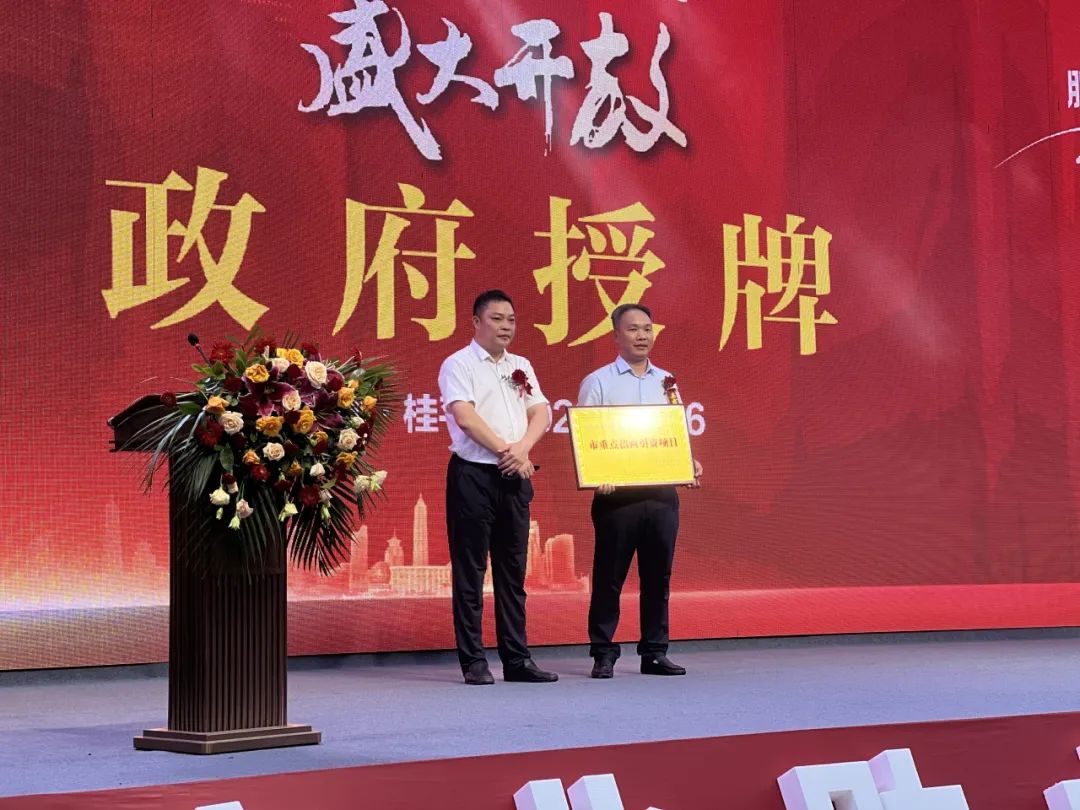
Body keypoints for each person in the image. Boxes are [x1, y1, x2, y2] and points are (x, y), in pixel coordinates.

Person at [577, 303, 703, 678]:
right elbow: (586, 438)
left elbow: (674, 436)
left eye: (647, 328)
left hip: (661, 496)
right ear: (616, 335)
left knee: (658, 578)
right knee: (609, 578)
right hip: (617, 498)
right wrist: (597, 472)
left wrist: (688, 463)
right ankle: (603, 652)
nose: (642, 335)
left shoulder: (667, 382)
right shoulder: (599, 381)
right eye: (633, 329)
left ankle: (655, 652)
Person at [438, 289, 558, 685]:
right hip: (473, 476)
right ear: (476, 322)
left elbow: (541, 412)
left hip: (515, 476)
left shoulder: (521, 365)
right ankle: (474, 661)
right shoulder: (458, 363)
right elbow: (466, 417)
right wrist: (508, 451)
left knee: (513, 573)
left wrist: (521, 450)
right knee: (470, 571)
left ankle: (517, 659)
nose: (506, 326)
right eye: (497, 319)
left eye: (511, 320)